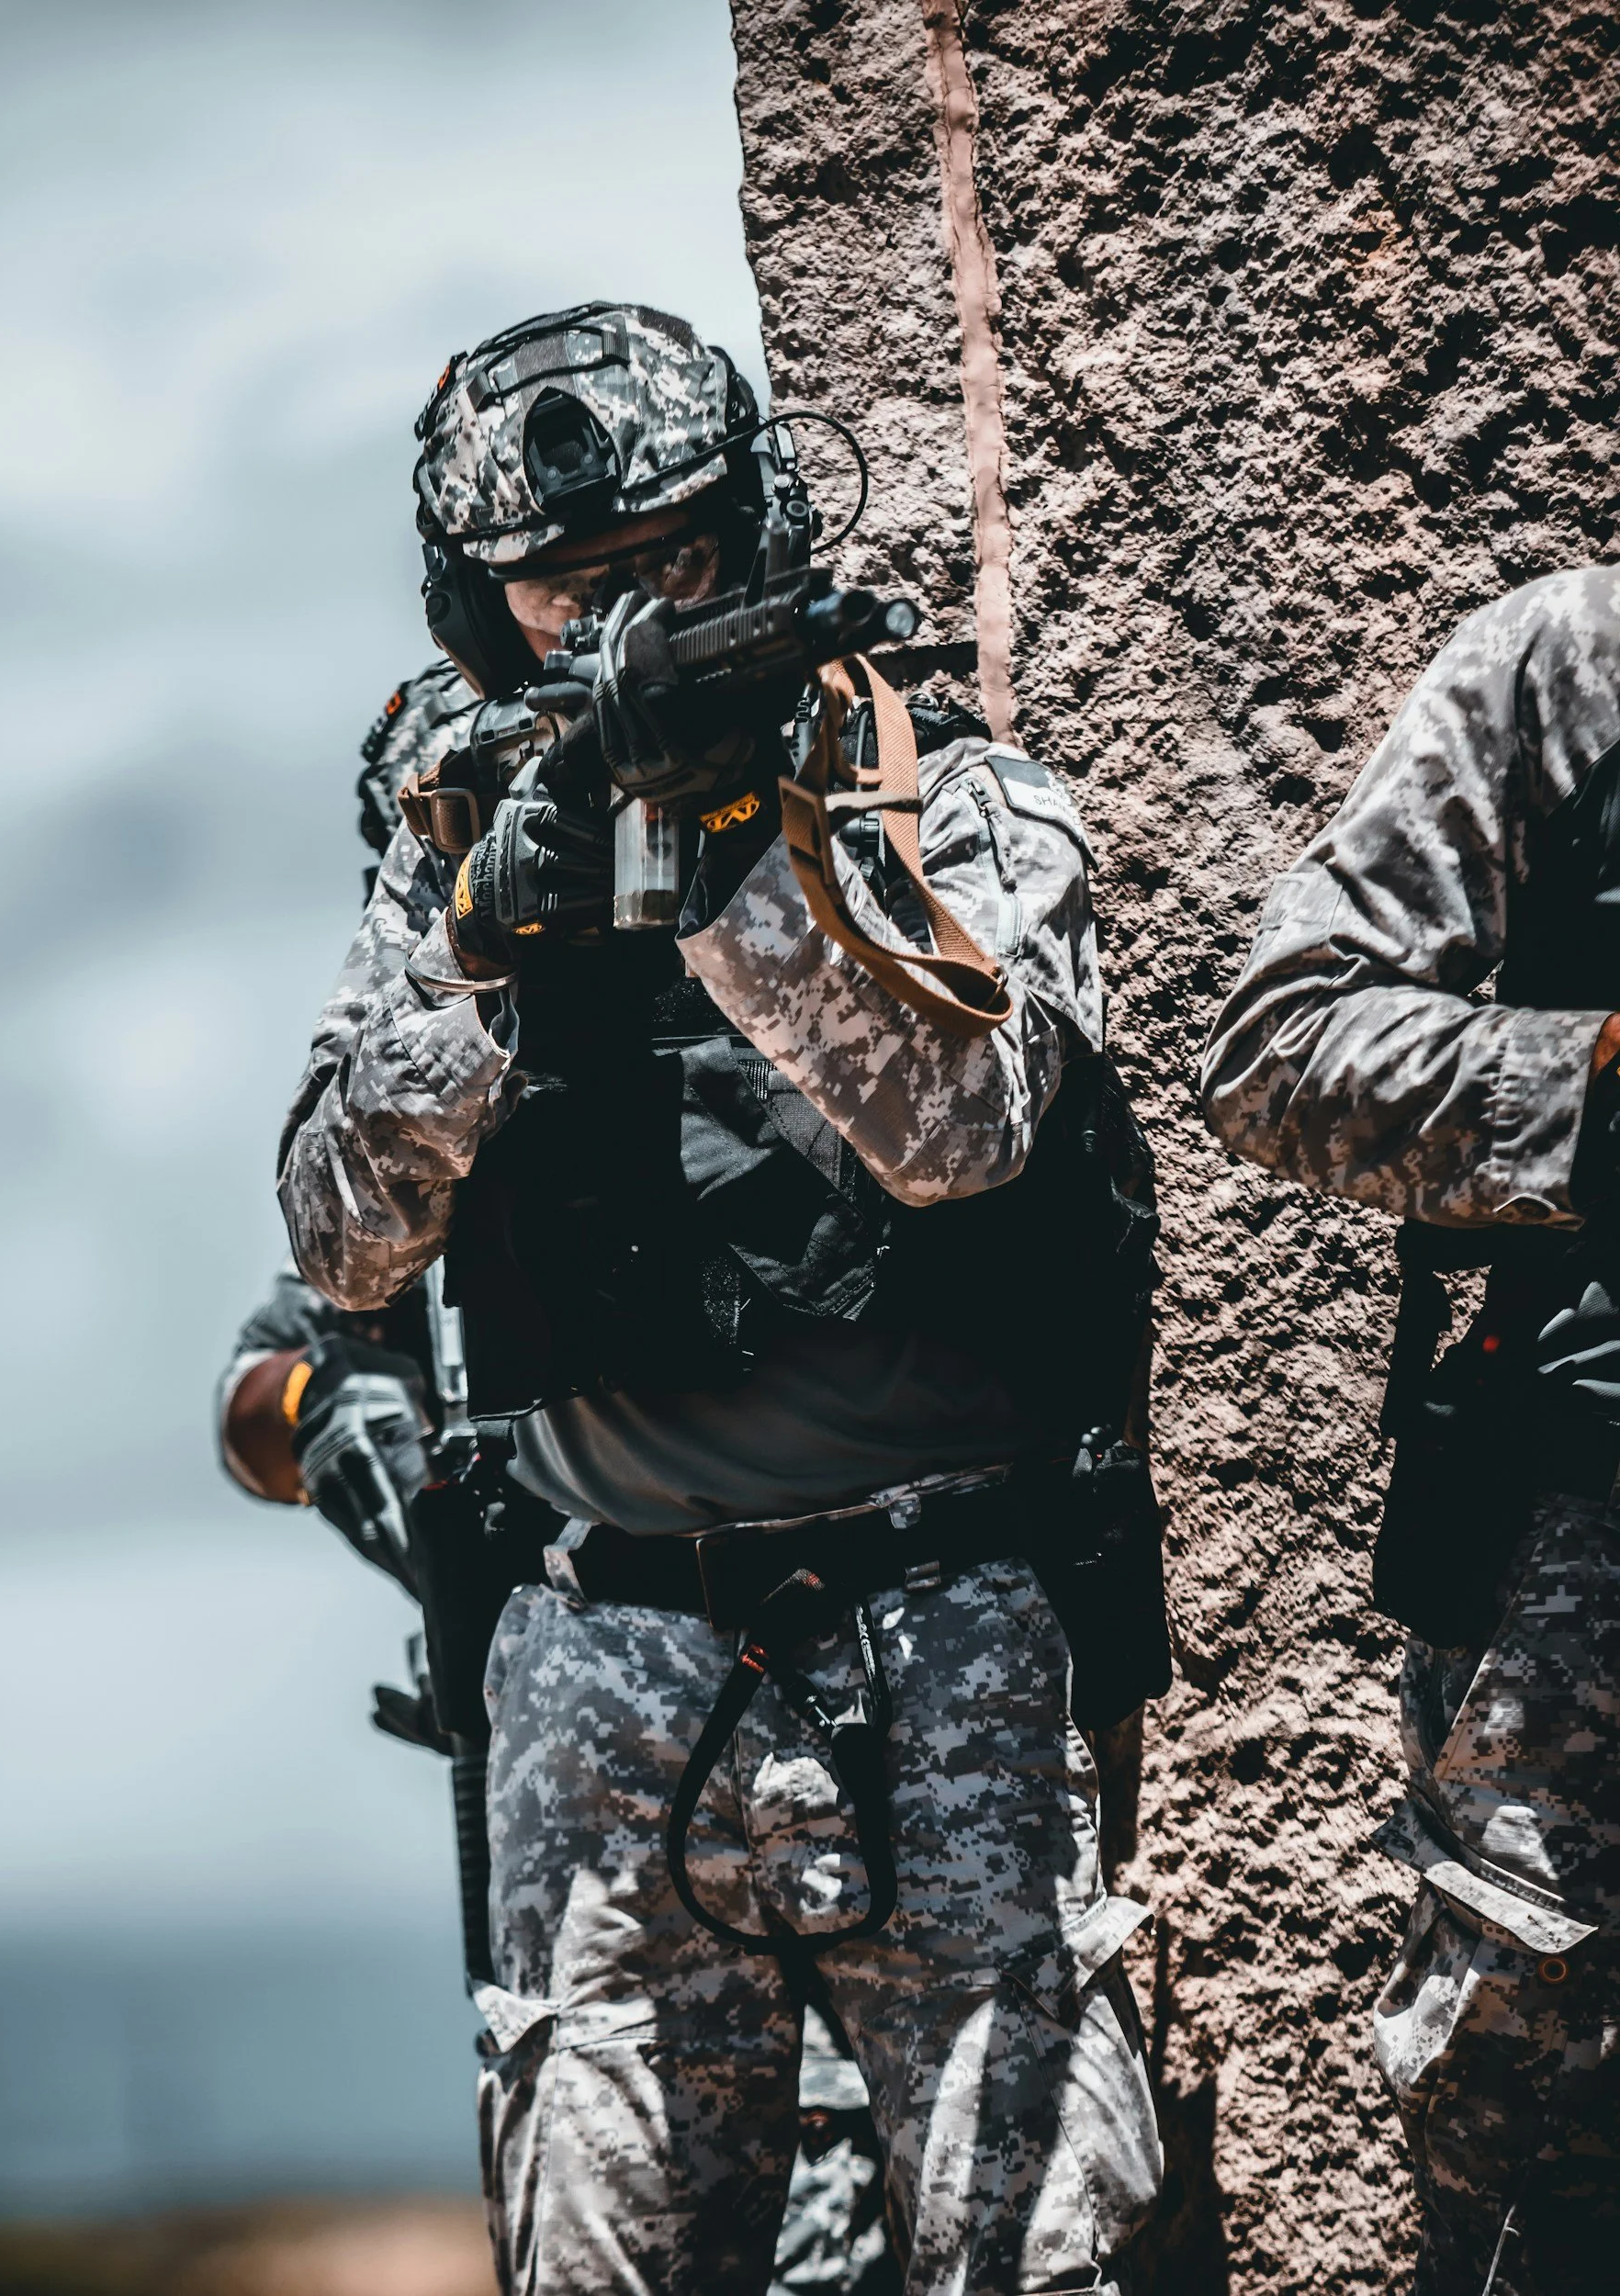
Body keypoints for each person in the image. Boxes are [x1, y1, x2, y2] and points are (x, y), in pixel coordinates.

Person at [277, 300, 1167, 2293]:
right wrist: (487, 956)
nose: (610, 628)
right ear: (475, 606)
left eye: (665, 564)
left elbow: (966, 1128)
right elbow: (339, 1238)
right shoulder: (451, 862)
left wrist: (735, 863)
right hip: (600, 1663)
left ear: (749, 529)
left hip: (945, 1626)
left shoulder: (940, 798)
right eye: (557, 592)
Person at [220, 642, 901, 2296]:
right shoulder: (440, 1103)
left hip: (828, 1696)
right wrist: (349, 1431)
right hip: (565, 1726)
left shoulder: (730, 1047)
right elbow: (258, 1386)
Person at [1200, 565, 1620, 2295]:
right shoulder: (1574, 663)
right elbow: (1279, 1047)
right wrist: (1596, 1077)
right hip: (1586, 1571)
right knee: (1539, 2203)